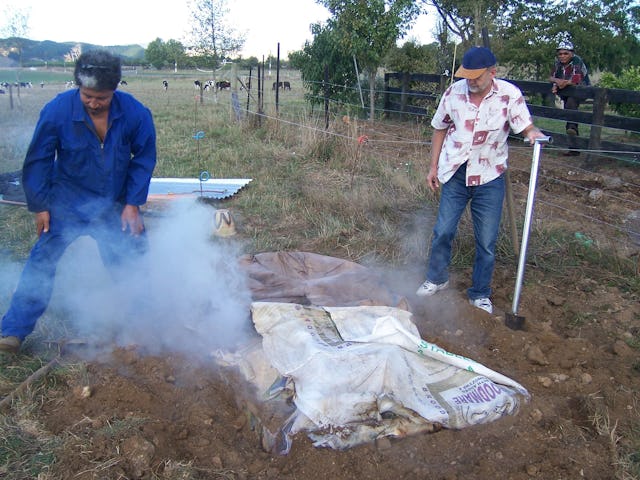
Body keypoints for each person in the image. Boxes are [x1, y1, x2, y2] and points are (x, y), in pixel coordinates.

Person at [0, 50, 157, 354]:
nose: (94, 103)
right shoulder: (57, 111)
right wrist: (41, 205)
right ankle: (13, 330)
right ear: (78, 87)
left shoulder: (136, 113)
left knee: (132, 258)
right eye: (87, 96)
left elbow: (144, 158)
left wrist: (132, 203)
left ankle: (141, 323)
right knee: (41, 263)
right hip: (66, 204)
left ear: (115, 89)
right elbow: (39, 160)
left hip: (114, 205)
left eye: (102, 97)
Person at [415, 46, 545, 314]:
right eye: (467, 76)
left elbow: (525, 125)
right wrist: (433, 168)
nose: (470, 81)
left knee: (486, 240)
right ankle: (436, 279)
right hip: (455, 172)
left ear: (492, 72)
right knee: (443, 231)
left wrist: (533, 133)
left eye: (476, 77)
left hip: (490, 176)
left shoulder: (509, 95)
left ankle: (480, 293)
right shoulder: (454, 93)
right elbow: (439, 128)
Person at [548, 40, 590, 156]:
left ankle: (572, 129)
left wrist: (563, 83)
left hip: (581, 90)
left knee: (571, 104)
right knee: (569, 112)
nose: (562, 56)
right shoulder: (557, 63)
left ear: (572, 53)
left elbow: (576, 79)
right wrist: (558, 81)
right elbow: (551, 77)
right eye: (560, 54)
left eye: (565, 53)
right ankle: (574, 148)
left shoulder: (577, 61)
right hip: (567, 91)